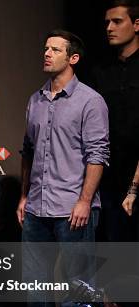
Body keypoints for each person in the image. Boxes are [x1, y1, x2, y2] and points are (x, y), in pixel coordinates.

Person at [10, 30, 109, 307]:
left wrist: (85, 200)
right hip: (38, 204)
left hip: (73, 207)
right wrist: (23, 196)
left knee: (75, 284)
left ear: (73, 58)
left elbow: (97, 155)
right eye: (45, 47)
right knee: (36, 281)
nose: (47, 53)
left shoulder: (90, 101)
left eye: (55, 49)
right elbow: (28, 151)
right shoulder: (35, 99)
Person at [92, 0, 139, 240]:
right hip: (108, 178)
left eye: (117, 21)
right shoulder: (100, 70)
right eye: (107, 23)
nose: (109, 27)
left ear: (137, 24)